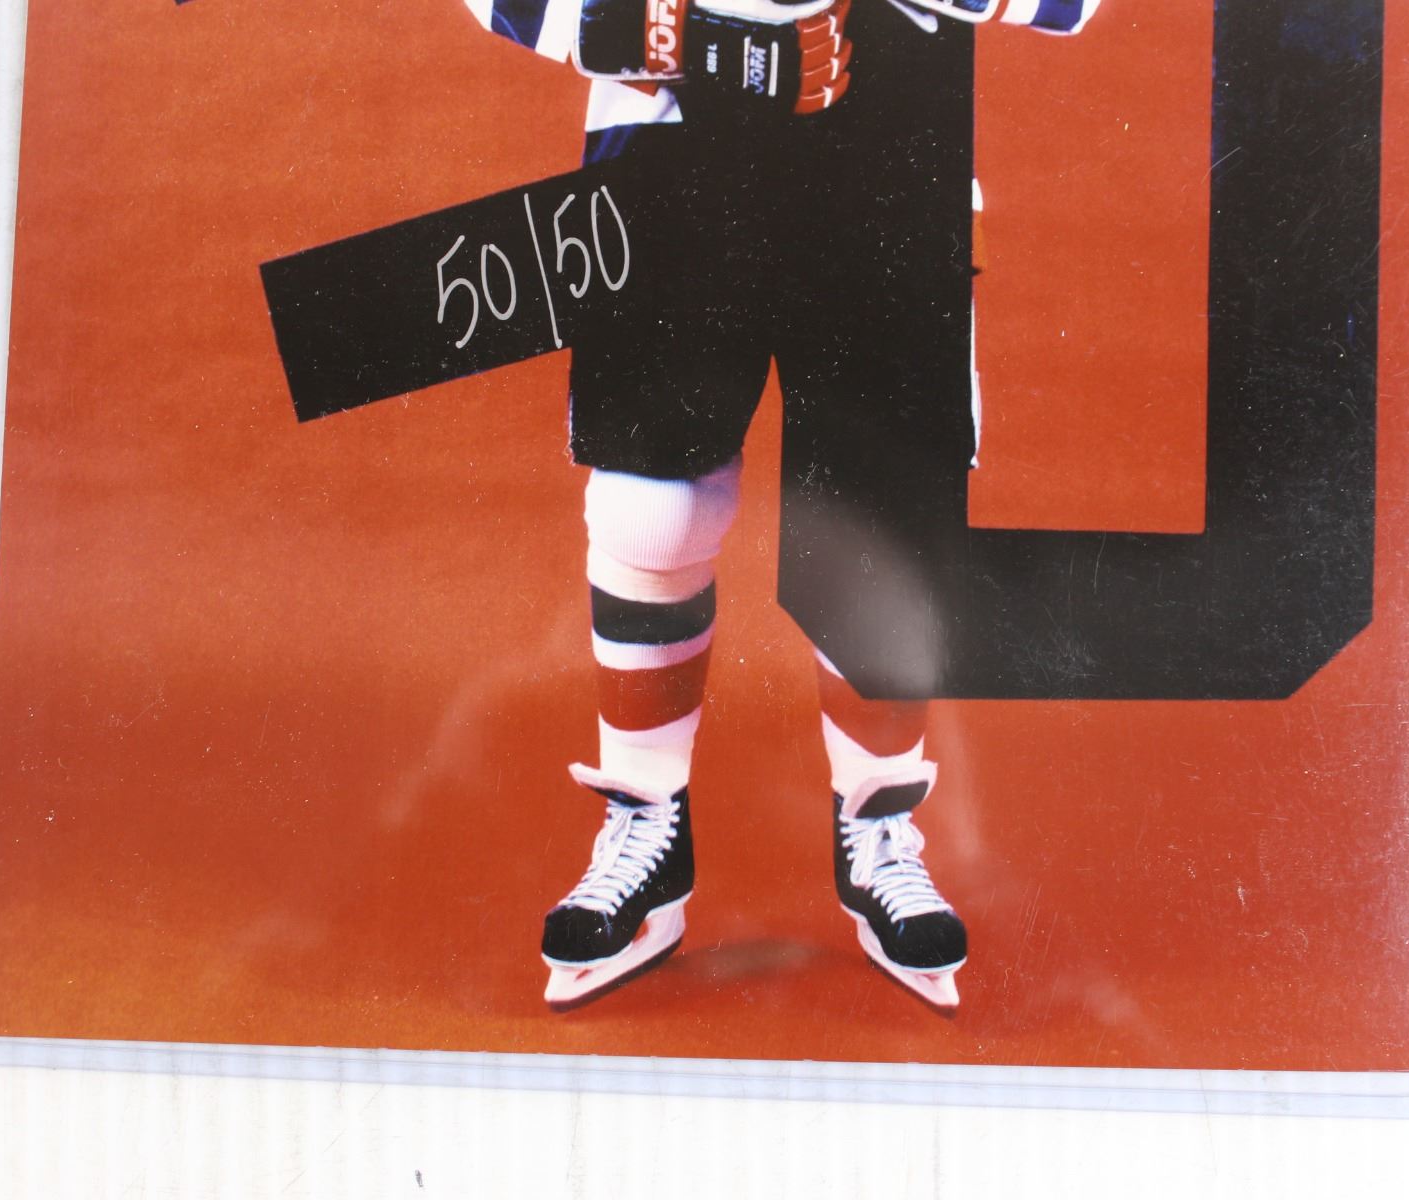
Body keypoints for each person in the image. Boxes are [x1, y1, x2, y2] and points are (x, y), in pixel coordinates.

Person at [459, 0, 1102, 1011]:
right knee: (649, 508)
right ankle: (645, 814)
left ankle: (879, 823)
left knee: (882, 516)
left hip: (890, 134)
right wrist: (682, 37)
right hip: (672, 139)